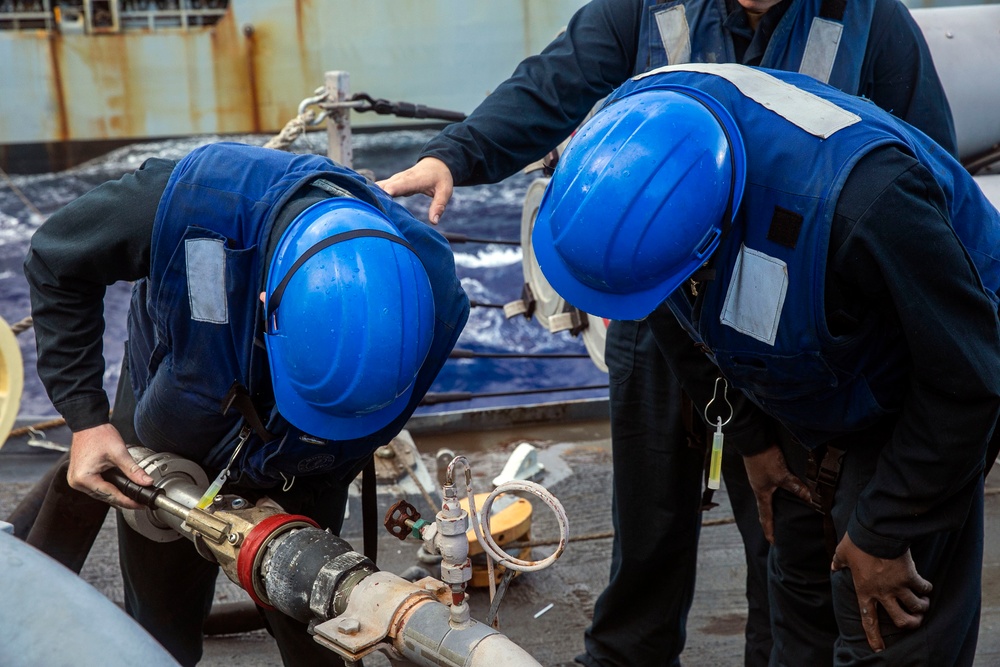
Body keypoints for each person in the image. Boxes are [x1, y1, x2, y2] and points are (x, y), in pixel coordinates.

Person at [377, 1, 956, 665]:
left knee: (784, 527)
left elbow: (926, 171)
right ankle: (628, 655)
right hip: (660, 310)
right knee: (648, 521)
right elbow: (550, 86)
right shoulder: (642, 10)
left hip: (788, 330)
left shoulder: (871, 22)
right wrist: (453, 155)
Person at [532, 63, 1000, 666]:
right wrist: (752, 439)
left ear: (712, 238)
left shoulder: (869, 199)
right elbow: (672, 313)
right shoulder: (629, 161)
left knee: (884, 619)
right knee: (799, 583)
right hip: (812, 358)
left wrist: (887, 527)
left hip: (936, 373)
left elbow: (970, 376)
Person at [23, 142, 470, 667]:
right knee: (162, 625)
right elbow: (57, 256)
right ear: (266, 307)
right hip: (174, 417)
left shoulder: (436, 297)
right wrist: (86, 419)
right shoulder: (189, 202)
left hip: (313, 447)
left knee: (317, 617)